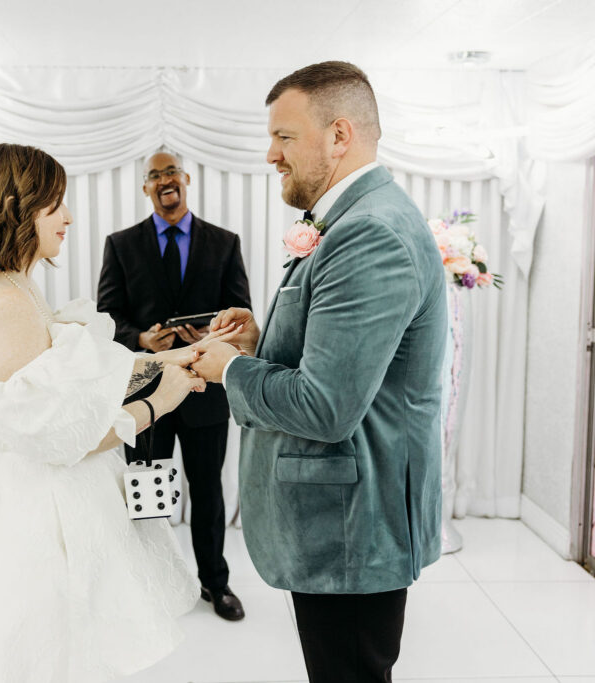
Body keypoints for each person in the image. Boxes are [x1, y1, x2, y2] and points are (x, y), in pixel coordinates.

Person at [0, 143, 211, 682]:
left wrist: (164, 359)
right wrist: (161, 399)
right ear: (17, 209)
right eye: (56, 205)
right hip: (29, 505)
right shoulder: (2, 301)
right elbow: (66, 434)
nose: (69, 217)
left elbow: (78, 378)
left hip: (33, 487)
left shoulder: (15, 285)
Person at [192, 62, 448, 682]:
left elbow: (325, 407)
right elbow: (333, 358)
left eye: (284, 137)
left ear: (339, 136)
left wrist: (232, 370)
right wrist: (258, 341)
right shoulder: (353, 219)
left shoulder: (369, 234)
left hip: (352, 530)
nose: (270, 155)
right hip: (343, 526)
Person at [96, 150, 251, 621]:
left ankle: (215, 584)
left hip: (207, 391)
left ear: (186, 180)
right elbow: (107, 318)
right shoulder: (121, 245)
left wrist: (210, 335)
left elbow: (240, 314)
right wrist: (140, 338)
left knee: (207, 491)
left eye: (173, 172)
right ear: (146, 188)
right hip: (146, 396)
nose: (166, 180)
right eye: (156, 175)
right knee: (147, 491)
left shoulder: (224, 243)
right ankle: (150, 583)